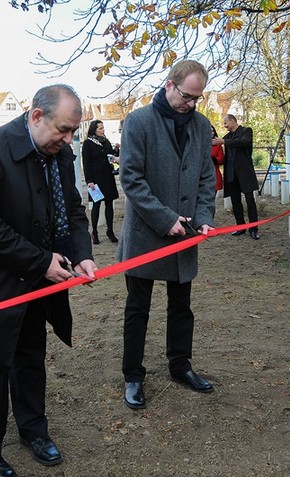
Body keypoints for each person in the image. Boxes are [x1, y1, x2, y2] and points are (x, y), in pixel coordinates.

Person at [0, 84, 97, 477]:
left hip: (39, 275)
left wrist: (82, 253)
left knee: (31, 354)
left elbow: (71, 206)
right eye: (63, 130)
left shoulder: (60, 154)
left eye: (73, 132)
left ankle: (34, 430)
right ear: (36, 116)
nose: (68, 140)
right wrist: (40, 261)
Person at [117, 59, 216, 411]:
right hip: (147, 233)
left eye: (197, 99)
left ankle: (180, 365)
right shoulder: (138, 121)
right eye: (187, 96)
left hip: (185, 234)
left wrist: (203, 217)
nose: (191, 104)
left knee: (182, 307)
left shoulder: (202, 126)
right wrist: (165, 218)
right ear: (169, 85)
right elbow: (132, 179)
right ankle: (133, 375)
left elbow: (207, 176)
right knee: (137, 309)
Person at [213, 114, 260, 239]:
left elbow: (244, 142)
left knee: (250, 201)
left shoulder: (246, 131)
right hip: (231, 175)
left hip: (245, 174)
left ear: (233, 121)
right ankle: (240, 227)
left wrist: (224, 141)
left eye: (226, 123)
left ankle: (253, 228)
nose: (224, 125)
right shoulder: (227, 137)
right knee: (235, 202)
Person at [82, 119, 119, 244]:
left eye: (103, 128)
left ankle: (110, 231)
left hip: (108, 177)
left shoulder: (106, 141)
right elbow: (86, 163)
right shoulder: (88, 143)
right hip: (95, 179)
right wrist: (89, 180)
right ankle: (95, 232)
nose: (103, 130)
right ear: (94, 130)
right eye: (100, 128)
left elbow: (111, 155)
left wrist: (117, 150)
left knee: (109, 204)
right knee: (96, 206)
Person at [210, 125, 225, 198]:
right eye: (209, 131)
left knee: (211, 200)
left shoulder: (218, 146)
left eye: (212, 131)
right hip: (199, 175)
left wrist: (213, 159)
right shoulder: (199, 143)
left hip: (214, 174)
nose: (211, 133)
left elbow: (221, 159)